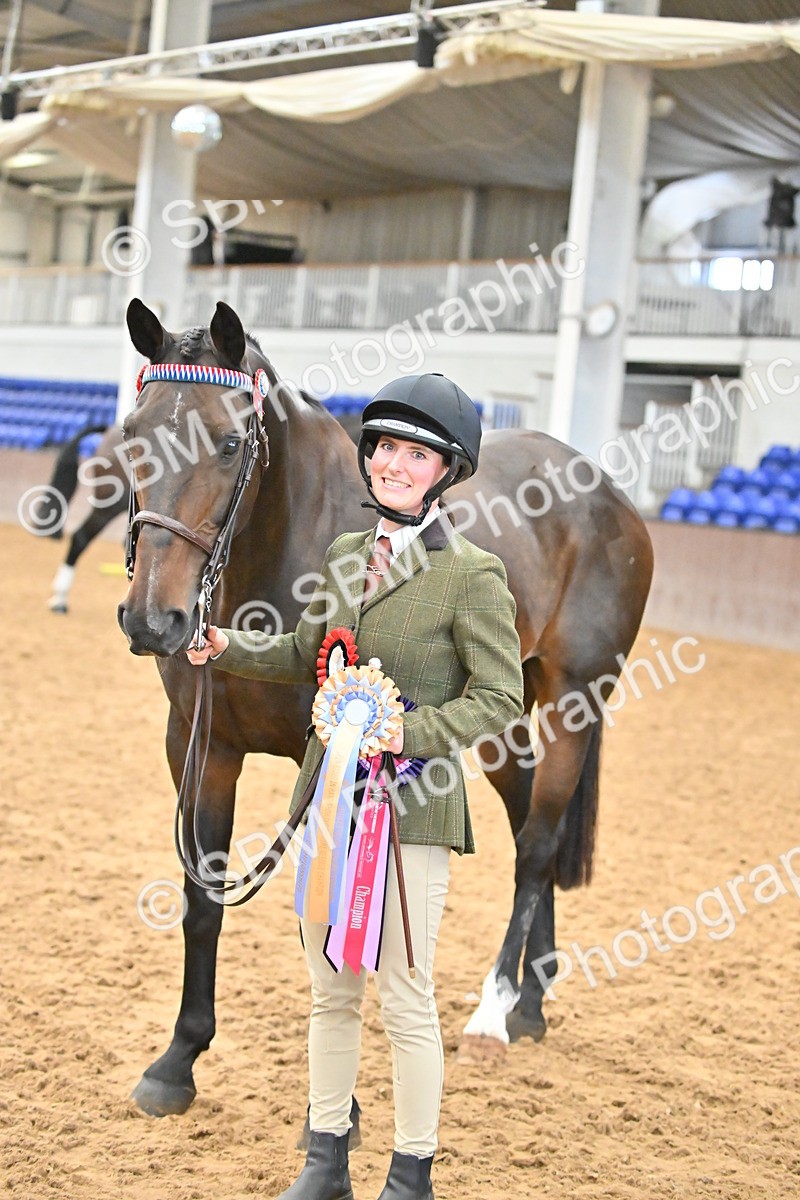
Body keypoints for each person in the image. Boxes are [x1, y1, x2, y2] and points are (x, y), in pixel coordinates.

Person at [187, 373, 524, 1200]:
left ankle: (411, 1172)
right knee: (329, 994)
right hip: (331, 805)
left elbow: (501, 698)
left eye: (416, 455)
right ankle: (325, 1158)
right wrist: (223, 643)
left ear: (446, 472)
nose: (393, 466)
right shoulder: (345, 555)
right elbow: (307, 653)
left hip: (413, 811)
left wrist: (411, 731)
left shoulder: (472, 574)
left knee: (405, 1000)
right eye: (385, 449)